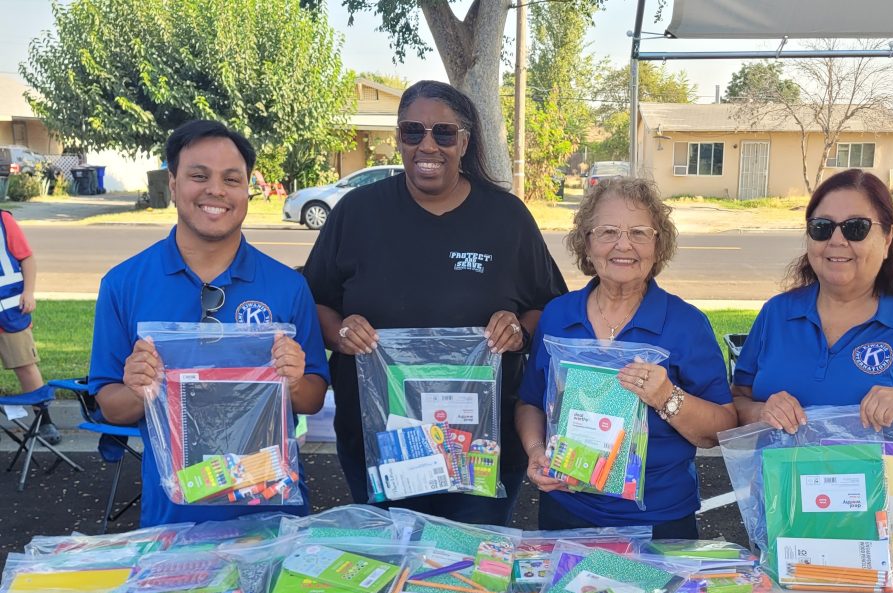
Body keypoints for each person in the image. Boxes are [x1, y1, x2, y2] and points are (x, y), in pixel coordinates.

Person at [303, 80, 566, 526]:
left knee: (471, 569)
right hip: (381, 441)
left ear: (465, 141)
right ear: (398, 138)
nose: (428, 144)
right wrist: (340, 332)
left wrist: (518, 329)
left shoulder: (506, 218)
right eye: (413, 132)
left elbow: (552, 309)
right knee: (394, 563)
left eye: (443, 133)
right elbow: (313, 303)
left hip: (482, 446)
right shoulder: (357, 213)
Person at [89, 120, 329, 527]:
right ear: (173, 181)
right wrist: (138, 389)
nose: (215, 190)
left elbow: (312, 398)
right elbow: (110, 406)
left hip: (275, 513)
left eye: (231, 179)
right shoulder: (124, 285)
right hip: (174, 516)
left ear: (247, 188)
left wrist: (293, 380)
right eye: (198, 175)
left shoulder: (288, 287)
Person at [515, 177, 737, 539]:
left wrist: (668, 398)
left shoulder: (686, 324)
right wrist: (536, 450)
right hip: (566, 512)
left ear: (657, 244)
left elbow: (721, 429)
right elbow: (530, 402)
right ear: (586, 243)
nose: (623, 245)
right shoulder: (557, 315)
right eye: (607, 232)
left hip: (659, 521)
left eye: (639, 232)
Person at [731, 169, 893, 449]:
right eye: (822, 227)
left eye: (855, 228)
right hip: (779, 492)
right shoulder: (776, 314)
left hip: (881, 493)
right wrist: (761, 411)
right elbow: (738, 399)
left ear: (887, 239)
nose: (837, 240)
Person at [0, 208, 61, 444]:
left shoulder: (4, 221)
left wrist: (28, 292)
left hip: (8, 308)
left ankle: (44, 420)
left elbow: (26, 258)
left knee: (26, 366)